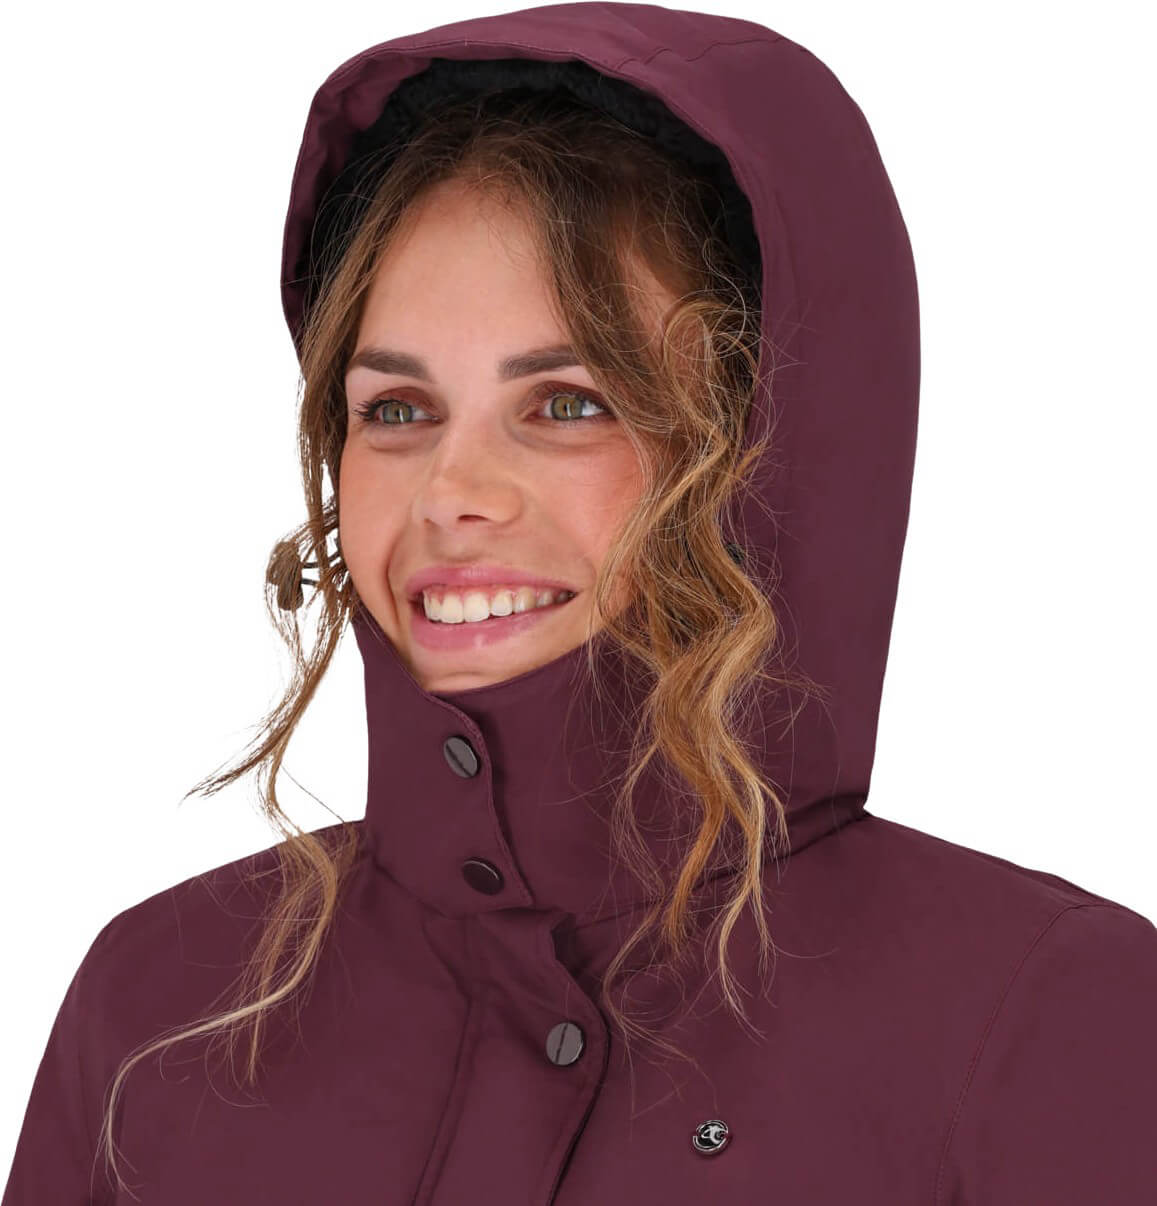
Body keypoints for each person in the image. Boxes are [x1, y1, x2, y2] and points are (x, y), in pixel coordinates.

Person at [4, 4, 1155, 1202]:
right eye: (395, 410)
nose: (449, 494)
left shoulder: (1041, 1016)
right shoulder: (163, 1008)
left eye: (568, 404)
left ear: (770, 451)